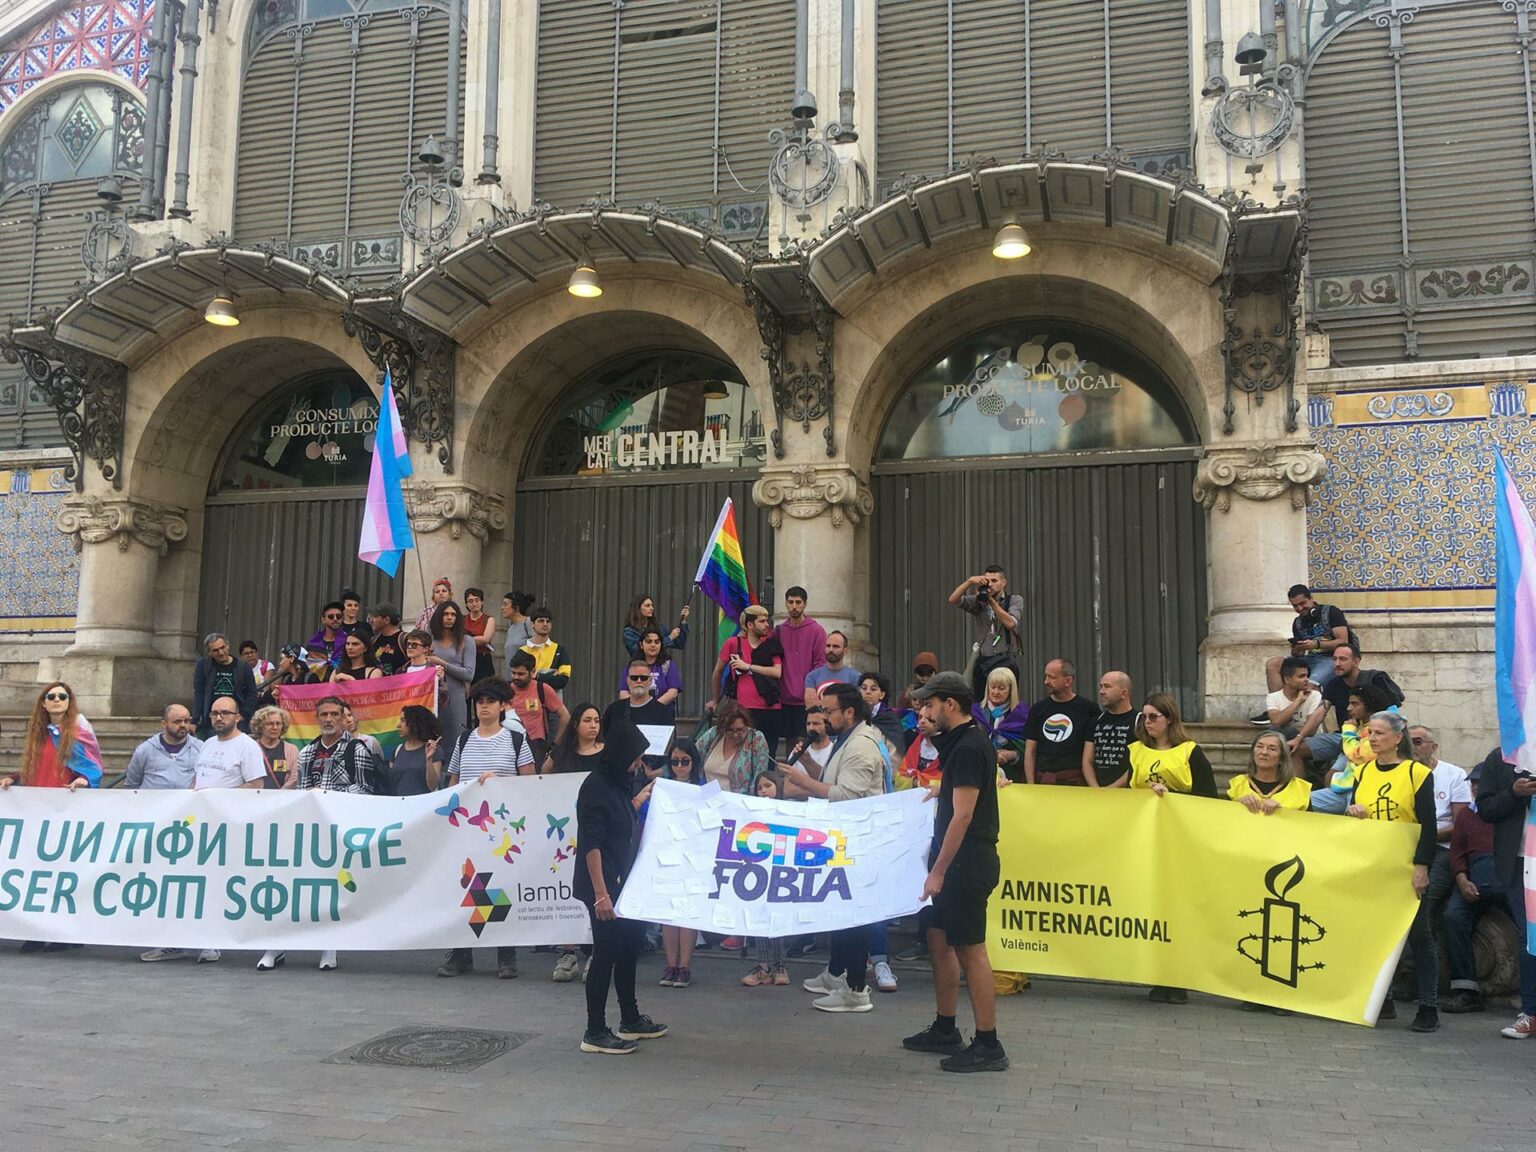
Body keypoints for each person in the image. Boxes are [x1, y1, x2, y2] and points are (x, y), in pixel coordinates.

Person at [901, 671, 1008, 1073]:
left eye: (930, 704)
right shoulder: (964, 742)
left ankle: (988, 1044)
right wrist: (940, 789)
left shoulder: (967, 747)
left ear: (950, 704)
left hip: (966, 861)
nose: (925, 712)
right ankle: (946, 1027)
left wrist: (939, 871)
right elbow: (963, 792)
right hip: (960, 861)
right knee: (939, 938)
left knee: (970, 948)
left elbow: (963, 817)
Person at [257, 696, 379, 973]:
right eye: (324, 714)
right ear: (317, 717)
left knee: (331, 888)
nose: (328, 719)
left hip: (340, 829)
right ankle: (277, 945)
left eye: (334, 714)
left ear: (343, 717)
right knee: (294, 885)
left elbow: (365, 789)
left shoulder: (357, 749)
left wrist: (327, 795)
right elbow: (302, 790)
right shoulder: (308, 751)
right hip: (310, 828)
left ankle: (328, 944)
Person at [784, 682, 886, 1014]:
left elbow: (847, 796)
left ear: (849, 712)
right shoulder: (849, 739)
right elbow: (834, 780)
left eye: (828, 711)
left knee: (854, 917)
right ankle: (837, 973)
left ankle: (856, 989)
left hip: (858, 842)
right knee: (843, 912)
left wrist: (803, 782)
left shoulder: (861, 746)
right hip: (845, 840)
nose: (824, 718)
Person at [140, 695, 263, 964]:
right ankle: (177, 942)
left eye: (225, 713)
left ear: (237, 717)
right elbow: (198, 779)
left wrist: (216, 796)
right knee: (188, 885)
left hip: (226, 826)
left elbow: (256, 785)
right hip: (197, 824)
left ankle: (210, 942)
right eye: (214, 713)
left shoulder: (247, 747)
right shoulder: (206, 744)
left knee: (215, 886)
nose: (219, 718)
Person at [576, 706, 667, 1054]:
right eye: (635, 758)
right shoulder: (595, 787)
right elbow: (591, 844)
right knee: (606, 952)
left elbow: (620, 813)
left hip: (622, 881)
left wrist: (640, 799)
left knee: (629, 947)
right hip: (603, 885)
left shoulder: (616, 783)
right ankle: (595, 1030)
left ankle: (630, 1018)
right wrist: (601, 895)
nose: (638, 765)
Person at [1346, 711, 1439, 1032]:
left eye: (1379, 733)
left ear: (1398, 738)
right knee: (1375, 934)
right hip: (1376, 864)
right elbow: (1357, 815)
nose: (1372, 739)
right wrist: (1354, 812)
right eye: (1370, 733)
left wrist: (1422, 865)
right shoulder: (1363, 771)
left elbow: (1428, 824)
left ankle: (1428, 1006)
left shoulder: (1416, 773)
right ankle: (1381, 1001)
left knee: (1419, 934)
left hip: (1407, 865)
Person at [439, 679, 535, 981]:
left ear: (503, 706)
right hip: (467, 829)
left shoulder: (516, 740)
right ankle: (461, 952)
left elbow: (531, 783)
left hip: (502, 831)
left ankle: (506, 953)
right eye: (479, 701)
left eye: (490, 701)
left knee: (501, 886)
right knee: (466, 886)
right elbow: (453, 782)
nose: (484, 706)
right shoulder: (464, 740)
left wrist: (501, 784)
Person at [1128, 692, 1217, 1004]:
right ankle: (1157, 974)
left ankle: (1178, 979)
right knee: (1152, 906)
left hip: (1180, 839)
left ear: (1169, 719)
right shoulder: (1136, 751)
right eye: (1144, 717)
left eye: (1154, 717)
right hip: (1147, 839)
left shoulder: (1189, 752)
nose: (1148, 722)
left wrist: (1173, 797)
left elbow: (1208, 796)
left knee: (1177, 909)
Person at [3, 683, 102, 955]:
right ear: (43, 703)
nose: (57, 700)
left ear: (70, 702)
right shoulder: (39, 735)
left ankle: (64, 931)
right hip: (37, 812)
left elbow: (92, 767)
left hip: (65, 811)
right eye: (51, 696)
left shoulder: (80, 732)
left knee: (62, 875)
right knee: (35, 873)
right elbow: (35, 768)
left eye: (62, 696)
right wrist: (15, 778)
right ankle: (35, 931)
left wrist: (84, 779)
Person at [1472, 746, 1536, 1039]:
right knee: (1529, 934)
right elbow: (1485, 809)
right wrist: (1513, 793)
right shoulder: (1500, 757)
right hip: (1519, 860)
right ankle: (1531, 1012)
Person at [1441, 800, 1501, 1014]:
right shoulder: (1466, 814)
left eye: (1480, 784)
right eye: (1474, 785)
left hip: (1511, 876)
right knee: (1454, 917)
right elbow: (1456, 852)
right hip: (1474, 876)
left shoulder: (1515, 810)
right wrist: (1462, 880)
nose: (1476, 788)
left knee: (1527, 922)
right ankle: (1465, 990)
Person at [1255, 585, 1353, 709]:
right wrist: (1297, 650)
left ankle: (1298, 714)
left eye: (1302, 603)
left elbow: (1343, 642)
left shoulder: (1331, 612)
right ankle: (1279, 708)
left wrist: (1316, 644)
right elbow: (1298, 656)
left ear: (1311, 598)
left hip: (1331, 658)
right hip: (1309, 659)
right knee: (1273, 664)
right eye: (1295, 606)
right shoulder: (1298, 622)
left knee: (1309, 686)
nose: (1300, 608)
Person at [740, 765, 793, 989]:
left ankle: (780, 966)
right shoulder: (750, 813)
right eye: (759, 788)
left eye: (768, 786)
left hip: (782, 873)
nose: (763, 791)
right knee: (759, 918)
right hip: (758, 872)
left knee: (777, 919)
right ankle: (763, 966)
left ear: (778, 786)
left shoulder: (789, 811)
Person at [658, 738, 705, 990]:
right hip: (667, 854)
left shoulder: (705, 788)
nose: (679, 766)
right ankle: (670, 964)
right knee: (668, 912)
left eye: (684, 761)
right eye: (674, 761)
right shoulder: (661, 787)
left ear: (693, 762)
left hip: (694, 856)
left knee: (687, 911)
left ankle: (684, 965)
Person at [710, 605, 785, 755]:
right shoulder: (733, 643)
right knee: (744, 753)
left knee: (769, 753)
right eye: (761, 621)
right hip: (745, 709)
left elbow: (777, 672)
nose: (766, 625)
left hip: (771, 708)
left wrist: (748, 666)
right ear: (750, 624)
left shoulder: (771, 645)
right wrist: (714, 700)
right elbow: (717, 671)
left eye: (767, 620)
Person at [948, 566, 1024, 703]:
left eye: (994, 581)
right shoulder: (979, 601)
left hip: (1004, 658)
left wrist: (991, 602)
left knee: (1005, 700)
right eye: (987, 581)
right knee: (979, 700)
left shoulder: (1014, 600)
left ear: (1003, 582)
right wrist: (969, 582)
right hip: (984, 658)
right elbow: (953, 600)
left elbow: (1010, 623)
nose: (991, 585)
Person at [1022, 659, 1097, 786]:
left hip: (1074, 783)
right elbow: (1030, 751)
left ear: (1068, 681)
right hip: (1042, 782)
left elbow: (1090, 753)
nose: (1046, 682)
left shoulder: (1089, 709)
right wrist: (1031, 784)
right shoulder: (1038, 709)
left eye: (1052, 677)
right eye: (1046, 676)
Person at [774, 586, 825, 748]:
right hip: (784, 698)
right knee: (790, 744)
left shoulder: (817, 631)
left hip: (807, 699)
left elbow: (820, 663)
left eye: (798, 602)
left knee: (807, 743)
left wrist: (810, 690)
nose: (794, 606)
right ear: (786, 603)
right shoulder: (779, 631)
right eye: (790, 602)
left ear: (805, 604)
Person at [427, 600, 477, 755]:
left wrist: (442, 663)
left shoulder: (466, 641)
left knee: (456, 742)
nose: (449, 617)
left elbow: (469, 674)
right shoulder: (430, 641)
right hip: (431, 698)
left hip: (455, 699)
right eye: (446, 614)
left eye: (453, 614)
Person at [694, 698, 773, 793]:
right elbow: (693, 754)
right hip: (709, 794)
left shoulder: (756, 739)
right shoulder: (713, 734)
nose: (735, 735)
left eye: (740, 730)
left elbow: (759, 776)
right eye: (730, 730)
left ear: (746, 725)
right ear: (722, 728)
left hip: (739, 798)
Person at [509, 650, 570, 767]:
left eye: (521, 674)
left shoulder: (542, 689)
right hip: (509, 744)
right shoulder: (505, 690)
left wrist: (555, 746)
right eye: (513, 673)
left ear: (532, 672)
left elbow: (565, 716)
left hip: (535, 746)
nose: (516, 677)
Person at [1228, 731, 1312, 813]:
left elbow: (1310, 821)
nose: (1264, 752)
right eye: (1259, 747)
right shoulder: (1237, 784)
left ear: (1282, 757)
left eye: (1272, 749)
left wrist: (1282, 812)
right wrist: (1238, 805)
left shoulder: (1300, 789)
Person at [124, 703, 202, 790]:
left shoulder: (200, 748)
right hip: (152, 798)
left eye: (186, 721)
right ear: (164, 724)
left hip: (188, 798)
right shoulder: (145, 750)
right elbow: (131, 786)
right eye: (177, 721)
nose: (183, 725)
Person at [192, 632, 257, 735]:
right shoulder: (203, 665)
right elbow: (198, 693)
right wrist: (195, 720)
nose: (221, 652)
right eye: (215, 650)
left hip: (237, 721)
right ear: (209, 653)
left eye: (222, 647)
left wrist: (244, 714)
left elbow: (252, 693)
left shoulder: (243, 666)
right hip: (212, 722)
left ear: (228, 646)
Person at [971, 667, 1028, 782]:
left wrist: (1013, 755)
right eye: (992, 687)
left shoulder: (1022, 714)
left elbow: (1030, 751)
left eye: (1002, 688)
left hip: (1012, 777)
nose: (996, 692)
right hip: (978, 775)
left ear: (1011, 690)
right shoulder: (974, 713)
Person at [1265, 657, 1326, 751]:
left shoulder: (1315, 695)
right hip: (1284, 740)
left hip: (1310, 742)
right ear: (1287, 680)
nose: (1306, 680)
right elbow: (1276, 722)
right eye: (1301, 676)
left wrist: (1288, 728)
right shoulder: (1273, 697)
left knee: (1285, 732)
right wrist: (1298, 701)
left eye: (1307, 676)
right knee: (1273, 732)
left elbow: (1311, 730)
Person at [1086, 670, 1136, 788]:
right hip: (1097, 792)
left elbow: (1138, 763)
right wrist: (1095, 788)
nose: (1101, 691)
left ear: (1124, 693)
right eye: (1101, 686)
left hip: (1127, 793)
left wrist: (1112, 789)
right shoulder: (1096, 721)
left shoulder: (1139, 722)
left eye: (1107, 686)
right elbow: (1087, 761)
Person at [617, 628, 682, 717]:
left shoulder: (668, 665)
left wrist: (652, 708)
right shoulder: (632, 666)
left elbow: (673, 692)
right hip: (635, 716)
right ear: (641, 645)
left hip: (662, 717)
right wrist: (637, 707)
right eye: (649, 641)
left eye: (657, 642)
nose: (653, 645)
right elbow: (623, 692)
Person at [380, 705, 442, 796]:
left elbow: (433, 786)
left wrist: (429, 759)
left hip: (425, 803)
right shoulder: (396, 751)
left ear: (415, 723)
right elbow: (392, 785)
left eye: (403, 720)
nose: (398, 725)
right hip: (400, 803)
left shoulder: (433, 749)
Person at [522, 606, 573, 698]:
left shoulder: (560, 650)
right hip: (529, 701)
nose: (545, 624)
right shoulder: (523, 651)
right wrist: (551, 676)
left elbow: (562, 681)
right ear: (532, 624)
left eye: (548, 621)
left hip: (553, 703)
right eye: (541, 621)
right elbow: (521, 679)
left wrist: (537, 676)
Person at [623, 593, 690, 658]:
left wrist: (683, 620)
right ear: (638, 608)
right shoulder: (629, 631)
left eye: (652, 605)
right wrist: (669, 638)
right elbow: (637, 652)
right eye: (647, 605)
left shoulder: (657, 627)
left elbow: (679, 644)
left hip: (660, 664)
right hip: (642, 665)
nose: (652, 608)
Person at [858, 671, 905, 762]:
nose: (867, 692)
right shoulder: (854, 716)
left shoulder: (890, 719)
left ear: (882, 695)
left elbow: (895, 755)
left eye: (873, 689)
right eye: (864, 688)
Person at [804, 630, 861, 703]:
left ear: (845, 651)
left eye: (836, 646)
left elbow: (857, 704)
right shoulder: (812, 676)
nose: (831, 650)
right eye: (828, 646)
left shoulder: (855, 677)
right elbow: (810, 703)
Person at [249, 705, 297, 789]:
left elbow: (294, 778)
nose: (275, 727)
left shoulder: (291, 750)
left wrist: (279, 795)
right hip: (256, 795)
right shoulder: (250, 748)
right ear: (260, 726)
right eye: (270, 724)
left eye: (278, 724)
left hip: (284, 796)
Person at [254, 643, 311, 711]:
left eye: (282, 659)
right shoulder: (287, 678)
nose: (280, 663)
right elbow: (274, 687)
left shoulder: (310, 678)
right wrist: (281, 671)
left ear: (292, 659)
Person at [462, 587, 499, 684]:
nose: (474, 604)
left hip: (483, 660)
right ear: (466, 604)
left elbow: (486, 639)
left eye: (477, 600)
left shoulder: (489, 619)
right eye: (470, 601)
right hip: (465, 659)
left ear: (482, 602)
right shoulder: (462, 620)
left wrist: (466, 640)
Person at [501, 590, 536, 676]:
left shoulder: (529, 623)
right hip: (510, 677)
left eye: (505, 604)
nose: (502, 608)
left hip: (525, 676)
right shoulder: (511, 629)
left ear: (516, 607)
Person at [368, 603, 408, 675]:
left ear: (387, 620)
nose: (371, 620)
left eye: (375, 617)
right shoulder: (373, 640)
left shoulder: (404, 639)